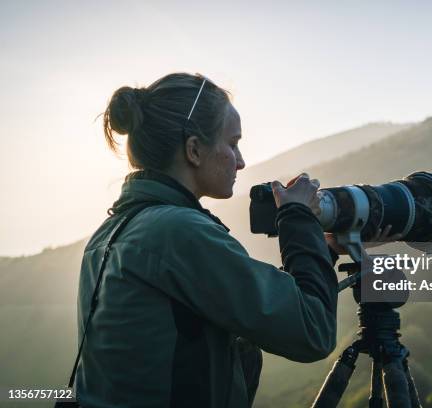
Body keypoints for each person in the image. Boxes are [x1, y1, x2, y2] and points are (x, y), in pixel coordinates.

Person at [75, 73, 339, 407]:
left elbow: (240, 301)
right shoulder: (178, 232)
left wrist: (323, 250)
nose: (241, 161)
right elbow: (311, 331)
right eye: (233, 143)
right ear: (195, 149)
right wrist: (298, 218)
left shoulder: (109, 233)